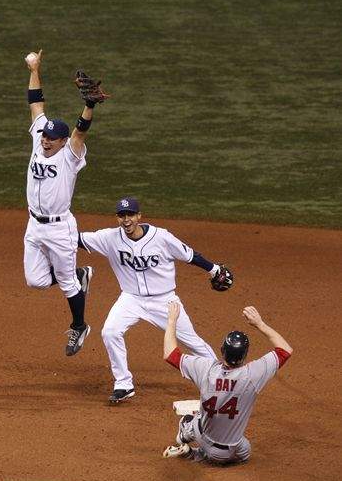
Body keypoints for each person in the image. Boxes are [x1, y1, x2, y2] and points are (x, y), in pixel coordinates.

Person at [78, 197, 233, 402]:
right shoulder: (109, 238)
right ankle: (124, 384)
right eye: (122, 216)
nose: (126, 220)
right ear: (117, 218)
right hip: (130, 299)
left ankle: (221, 378)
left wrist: (213, 269)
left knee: (192, 341)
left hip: (165, 301)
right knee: (110, 331)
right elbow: (76, 239)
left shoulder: (162, 237)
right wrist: (50, 228)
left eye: (130, 215)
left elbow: (189, 255)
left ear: (139, 216)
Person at [23, 49, 106, 356]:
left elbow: (81, 132)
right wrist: (34, 68)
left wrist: (88, 106)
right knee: (34, 280)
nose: (45, 141)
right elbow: (36, 103)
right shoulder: (38, 139)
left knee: (68, 284)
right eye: (44, 136)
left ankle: (79, 326)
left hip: (60, 229)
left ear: (61, 141)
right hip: (34, 224)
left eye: (51, 138)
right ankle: (79, 274)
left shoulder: (70, 155)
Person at [163, 302, 293, 464]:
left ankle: (188, 437)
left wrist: (171, 321)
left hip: (206, 439)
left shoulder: (206, 369)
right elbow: (285, 350)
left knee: (197, 417)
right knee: (245, 453)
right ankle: (197, 453)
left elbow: (170, 355)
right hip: (233, 448)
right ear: (245, 355)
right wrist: (260, 324)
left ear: (222, 350)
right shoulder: (252, 375)